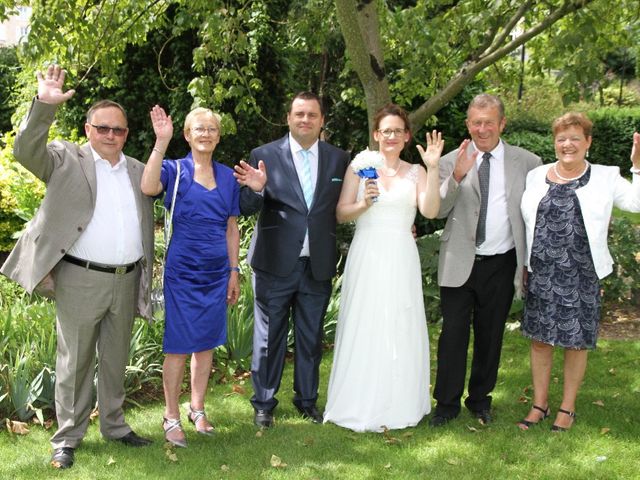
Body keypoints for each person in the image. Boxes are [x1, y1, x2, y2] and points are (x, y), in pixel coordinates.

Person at [0, 65, 155, 469]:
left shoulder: (139, 170)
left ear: (126, 133)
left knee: (116, 357)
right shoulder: (66, 158)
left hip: (127, 277)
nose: (110, 135)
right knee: (76, 359)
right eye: (102, 128)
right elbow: (25, 151)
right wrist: (45, 106)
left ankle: (115, 426)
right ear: (88, 130)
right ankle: (67, 437)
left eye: (118, 130)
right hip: (80, 276)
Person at [323, 104, 443, 431]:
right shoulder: (359, 166)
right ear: (376, 135)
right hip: (368, 251)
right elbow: (340, 212)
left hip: (401, 253)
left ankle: (401, 402)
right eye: (385, 131)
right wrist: (363, 204)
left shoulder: (416, 172)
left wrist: (432, 169)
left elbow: (430, 211)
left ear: (406, 136)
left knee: (400, 321)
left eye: (397, 131)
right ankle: (359, 400)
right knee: (367, 319)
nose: (391, 136)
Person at [517, 115, 640, 432]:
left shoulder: (606, 176)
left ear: (588, 142)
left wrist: (637, 167)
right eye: (561, 138)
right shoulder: (536, 176)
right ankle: (539, 405)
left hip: (581, 274)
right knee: (540, 342)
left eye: (574, 138)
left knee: (575, 342)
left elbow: (637, 203)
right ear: (554, 142)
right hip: (542, 272)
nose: (567, 144)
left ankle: (567, 409)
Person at [233, 92, 349, 428]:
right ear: (288, 118)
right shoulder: (264, 155)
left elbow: (345, 204)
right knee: (269, 339)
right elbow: (246, 206)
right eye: (299, 114)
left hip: (318, 264)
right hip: (274, 262)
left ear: (321, 120)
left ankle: (307, 400)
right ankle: (264, 403)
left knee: (311, 338)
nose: (305, 120)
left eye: (312, 115)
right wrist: (256, 189)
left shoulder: (338, 159)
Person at [430, 93, 542, 427]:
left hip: (502, 261)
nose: (482, 129)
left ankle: (479, 400)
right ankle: (446, 404)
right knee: (453, 335)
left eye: (488, 122)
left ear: (502, 123)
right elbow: (437, 211)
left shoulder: (528, 162)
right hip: (459, 259)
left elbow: (537, 213)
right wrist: (457, 177)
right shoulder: (451, 160)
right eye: (476, 122)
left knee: (491, 334)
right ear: (468, 124)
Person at [141, 106, 240, 447]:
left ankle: (197, 408)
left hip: (216, 274)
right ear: (187, 134)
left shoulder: (228, 176)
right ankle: (170, 415)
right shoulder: (175, 170)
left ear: (218, 136)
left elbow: (231, 228)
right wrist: (161, 142)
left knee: (207, 342)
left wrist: (234, 271)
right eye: (199, 128)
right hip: (182, 272)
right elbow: (147, 185)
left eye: (212, 128)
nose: (206, 133)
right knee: (180, 345)